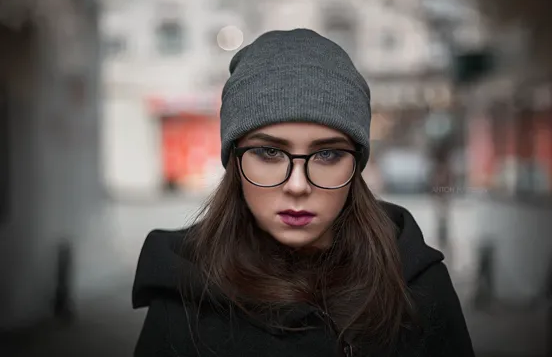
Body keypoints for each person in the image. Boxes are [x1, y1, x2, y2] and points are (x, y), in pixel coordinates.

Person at [132, 29, 475, 357]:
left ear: (356, 165)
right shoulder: (183, 295)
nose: (297, 185)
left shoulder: (418, 288)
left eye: (328, 154)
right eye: (269, 152)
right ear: (234, 162)